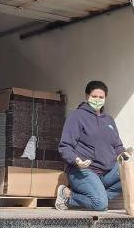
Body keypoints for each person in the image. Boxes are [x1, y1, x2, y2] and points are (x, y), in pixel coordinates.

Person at [55, 80, 129, 211]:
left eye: (101, 97)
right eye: (94, 96)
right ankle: (67, 195)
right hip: (83, 171)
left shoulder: (109, 120)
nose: (98, 100)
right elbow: (65, 145)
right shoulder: (76, 116)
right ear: (87, 96)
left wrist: (124, 153)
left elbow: (117, 145)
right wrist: (76, 160)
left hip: (106, 173)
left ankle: (97, 198)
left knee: (129, 173)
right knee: (101, 205)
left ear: (105, 98)